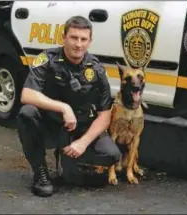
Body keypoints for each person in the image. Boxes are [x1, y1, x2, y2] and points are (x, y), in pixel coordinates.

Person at [17, 16, 121, 197]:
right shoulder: (47, 59)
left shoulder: (96, 69)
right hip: (52, 125)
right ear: (63, 37)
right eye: (73, 38)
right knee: (27, 113)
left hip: (81, 127)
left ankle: (70, 158)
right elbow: (27, 94)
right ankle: (41, 174)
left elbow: (104, 115)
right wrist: (64, 108)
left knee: (112, 155)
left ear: (90, 42)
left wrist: (83, 142)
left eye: (83, 39)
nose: (78, 44)